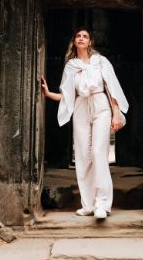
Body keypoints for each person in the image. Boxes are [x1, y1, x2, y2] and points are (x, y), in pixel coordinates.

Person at [40, 28, 128, 220]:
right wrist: (48, 94)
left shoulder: (101, 61)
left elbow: (111, 89)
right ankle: (88, 204)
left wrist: (115, 114)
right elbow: (67, 95)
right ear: (74, 41)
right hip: (80, 106)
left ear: (90, 42)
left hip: (101, 105)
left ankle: (102, 205)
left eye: (85, 36)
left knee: (98, 152)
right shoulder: (71, 65)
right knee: (82, 155)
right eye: (78, 36)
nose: (81, 39)